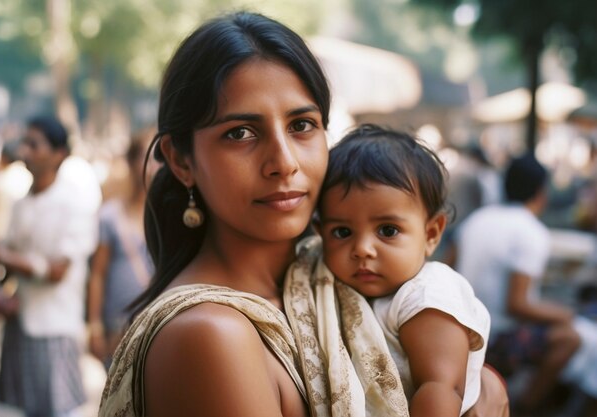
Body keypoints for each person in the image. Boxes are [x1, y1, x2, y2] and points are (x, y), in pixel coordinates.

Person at [99, 11, 508, 417]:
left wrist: (481, 381)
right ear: (181, 160)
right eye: (240, 133)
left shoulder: (337, 273)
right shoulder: (211, 335)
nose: (284, 161)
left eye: (302, 125)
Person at [316, 125, 491, 417]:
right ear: (319, 234)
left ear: (432, 234)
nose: (362, 249)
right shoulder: (340, 290)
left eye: (387, 230)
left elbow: (440, 388)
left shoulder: (425, 295)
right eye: (342, 232)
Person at [0, 115, 100, 417]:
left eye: (35, 145)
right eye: (25, 143)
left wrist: (2, 254)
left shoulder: (74, 204)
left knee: (60, 410)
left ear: (59, 154)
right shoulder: (22, 204)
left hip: (54, 325)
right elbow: (7, 261)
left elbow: (56, 272)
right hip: (22, 319)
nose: (26, 151)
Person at [455, 153, 581, 414]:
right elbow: (517, 305)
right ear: (541, 192)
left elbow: (446, 269)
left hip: (461, 328)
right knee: (569, 337)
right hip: (495, 338)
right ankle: (526, 407)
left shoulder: (477, 220)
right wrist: (565, 314)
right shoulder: (531, 231)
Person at [87, 132, 155, 369]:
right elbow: (98, 273)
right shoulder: (110, 215)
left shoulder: (174, 217)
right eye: (145, 156)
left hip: (158, 324)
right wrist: (94, 326)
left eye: (159, 156)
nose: (152, 165)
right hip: (117, 326)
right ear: (131, 162)